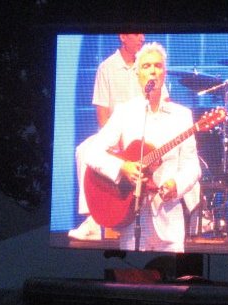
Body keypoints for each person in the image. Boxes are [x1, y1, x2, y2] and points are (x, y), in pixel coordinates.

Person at [83, 42, 201, 252]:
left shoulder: (182, 116)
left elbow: (192, 166)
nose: (152, 71)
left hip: (169, 221)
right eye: (146, 66)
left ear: (164, 73)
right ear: (137, 75)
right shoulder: (125, 112)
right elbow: (93, 152)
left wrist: (177, 184)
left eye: (157, 66)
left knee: (172, 282)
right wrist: (123, 167)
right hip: (131, 217)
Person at [68, 34, 147, 240]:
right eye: (136, 33)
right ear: (123, 36)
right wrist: (115, 144)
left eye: (143, 33)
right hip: (115, 134)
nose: (142, 38)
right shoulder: (107, 68)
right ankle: (93, 221)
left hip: (144, 135)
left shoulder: (147, 65)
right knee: (84, 150)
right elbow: (102, 116)